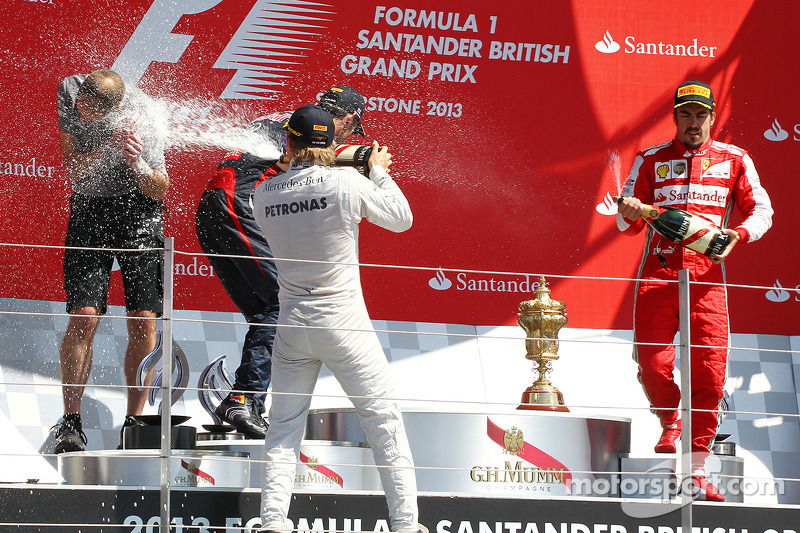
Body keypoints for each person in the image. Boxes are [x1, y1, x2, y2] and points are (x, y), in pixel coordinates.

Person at [252, 105, 423, 533]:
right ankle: (405, 525)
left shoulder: (265, 193)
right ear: (331, 144)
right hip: (342, 322)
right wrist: (378, 170)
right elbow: (401, 219)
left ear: (288, 141)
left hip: (292, 324)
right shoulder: (346, 181)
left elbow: (301, 178)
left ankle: (273, 523)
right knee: (382, 420)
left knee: (283, 428)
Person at [616, 80, 773, 501]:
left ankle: (695, 471)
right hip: (658, 272)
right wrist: (631, 211)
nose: (693, 123)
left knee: (709, 374)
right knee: (651, 362)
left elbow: (763, 210)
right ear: (675, 117)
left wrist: (737, 234)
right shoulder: (649, 159)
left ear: (712, 117)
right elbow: (625, 221)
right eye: (685, 114)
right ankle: (673, 419)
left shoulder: (735, 158)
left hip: (708, 278)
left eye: (701, 115)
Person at [194, 85, 368, 438]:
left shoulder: (286, 119)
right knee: (281, 302)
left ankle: (245, 401)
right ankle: (243, 399)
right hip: (235, 203)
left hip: (213, 209)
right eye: (353, 127)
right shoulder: (312, 127)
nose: (347, 135)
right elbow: (326, 161)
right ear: (349, 119)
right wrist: (369, 161)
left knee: (267, 312)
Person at [53, 69, 169, 453]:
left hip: (140, 212)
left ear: (117, 107)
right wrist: (108, 146)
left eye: (92, 112)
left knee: (144, 318)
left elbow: (159, 185)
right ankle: (70, 422)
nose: (82, 114)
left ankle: (134, 425)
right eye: (81, 107)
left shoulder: (145, 115)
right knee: (84, 314)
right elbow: (74, 171)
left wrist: (135, 162)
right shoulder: (71, 91)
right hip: (90, 207)